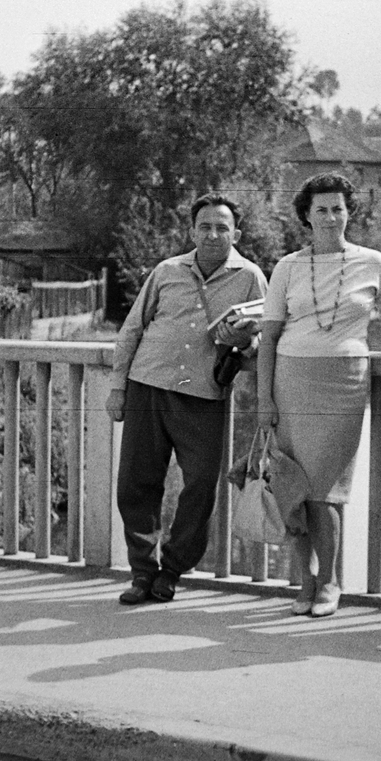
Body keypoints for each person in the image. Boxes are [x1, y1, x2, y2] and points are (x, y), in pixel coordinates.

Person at [257, 173, 381, 617]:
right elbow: (267, 339)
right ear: (306, 216)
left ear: (349, 213)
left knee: (325, 490)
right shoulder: (287, 267)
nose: (330, 217)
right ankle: (304, 583)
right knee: (294, 487)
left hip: (343, 383)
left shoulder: (373, 262)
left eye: (338, 208)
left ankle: (330, 582)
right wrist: (265, 400)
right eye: (321, 209)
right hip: (291, 381)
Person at [108, 193, 266, 605]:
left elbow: (264, 338)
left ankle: (173, 570)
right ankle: (143, 573)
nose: (213, 234)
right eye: (205, 226)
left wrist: (245, 341)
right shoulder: (166, 271)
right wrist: (118, 387)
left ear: (236, 233)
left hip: (203, 394)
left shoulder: (251, 276)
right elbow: (132, 329)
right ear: (192, 230)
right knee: (136, 483)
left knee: (200, 486)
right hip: (148, 384)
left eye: (222, 227)